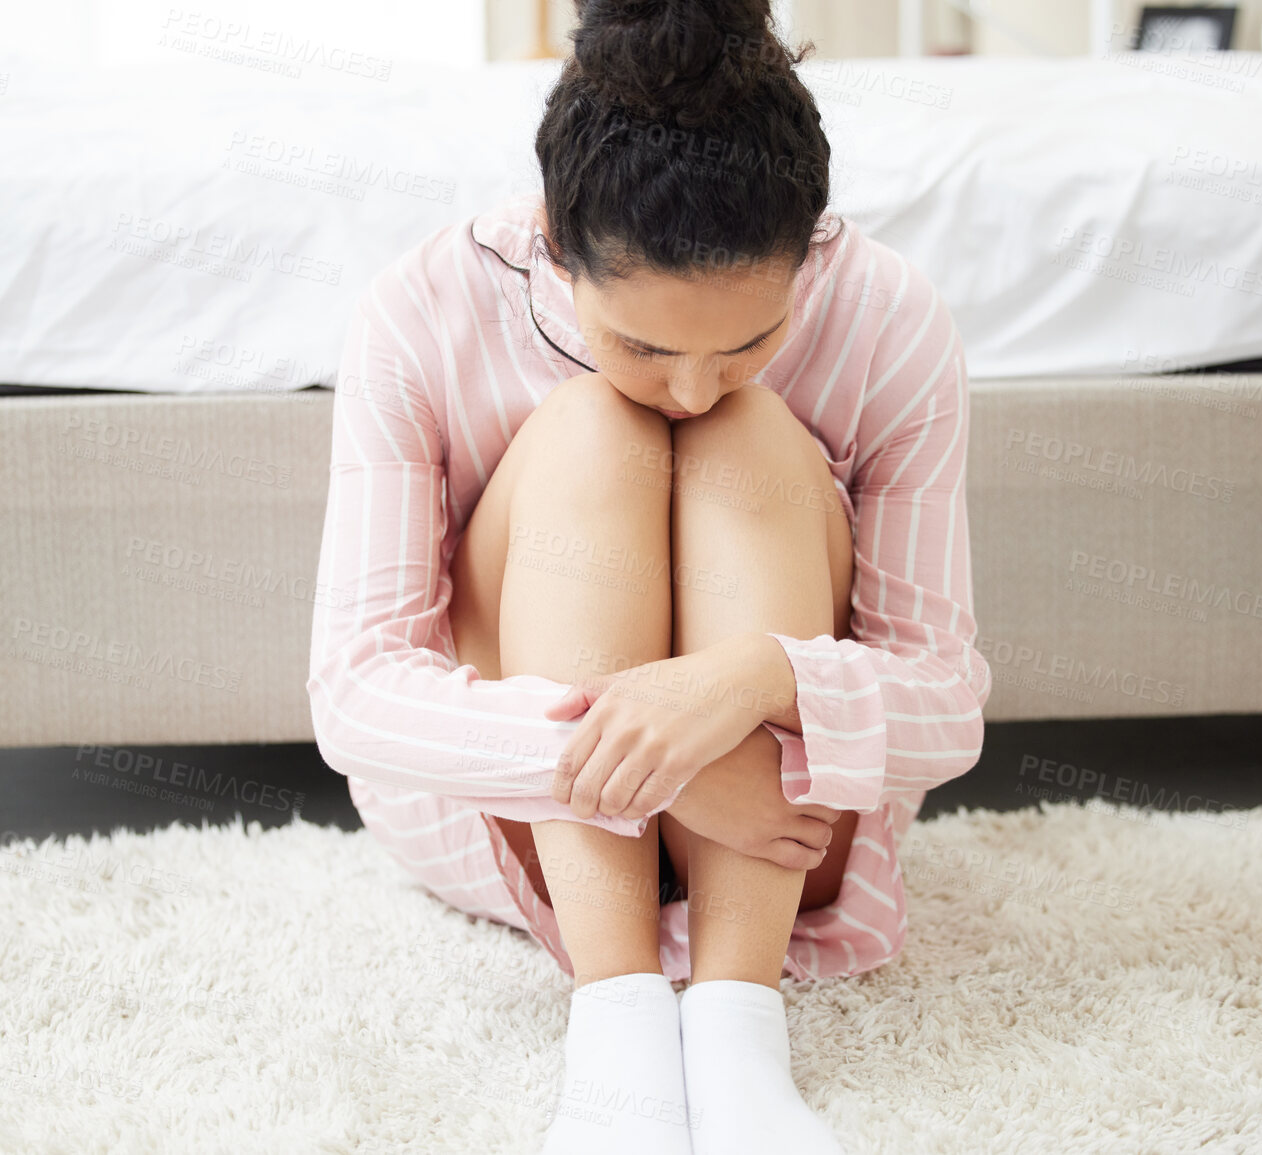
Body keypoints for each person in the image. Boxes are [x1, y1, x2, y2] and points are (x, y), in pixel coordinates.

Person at [307, 0, 992, 1150]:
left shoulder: (890, 315)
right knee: (594, 428)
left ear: (810, 249)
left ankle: (738, 1029)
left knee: (750, 437)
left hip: (779, 828)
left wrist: (750, 684)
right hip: (530, 828)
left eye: (749, 339)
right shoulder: (419, 310)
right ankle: (613, 1020)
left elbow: (948, 706)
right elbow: (356, 693)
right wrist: (655, 767)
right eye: (645, 344)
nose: (691, 385)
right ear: (552, 240)